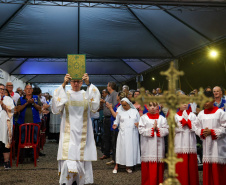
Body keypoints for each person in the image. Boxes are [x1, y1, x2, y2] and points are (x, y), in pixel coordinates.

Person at [51, 73, 100, 185]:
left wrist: (89, 83)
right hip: (68, 132)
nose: (76, 84)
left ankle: (80, 180)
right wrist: (63, 83)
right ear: (70, 82)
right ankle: (68, 181)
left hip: (84, 133)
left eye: (78, 81)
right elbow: (56, 108)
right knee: (69, 155)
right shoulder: (65, 94)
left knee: (81, 156)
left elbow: (95, 106)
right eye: (73, 81)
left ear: (82, 82)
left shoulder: (86, 94)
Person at [195, 90, 226, 185]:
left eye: (207, 101)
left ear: (213, 100)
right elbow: (196, 127)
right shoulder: (201, 114)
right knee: (208, 172)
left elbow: (224, 127)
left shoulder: (220, 112)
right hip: (207, 146)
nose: (205, 103)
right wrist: (202, 132)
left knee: (218, 173)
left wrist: (212, 132)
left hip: (218, 147)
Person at [138, 102, 168, 185]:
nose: (152, 108)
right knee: (147, 169)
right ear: (147, 106)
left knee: (158, 169)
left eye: (154, 106)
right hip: (147, 146)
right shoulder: (143, 118)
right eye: (150, 105)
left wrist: (158, 129)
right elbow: (140, 130)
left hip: (159, 147)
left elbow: (166, 130)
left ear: (157, 107)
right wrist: (152, 129)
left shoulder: (162, 118)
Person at [112, 98, 140, 174]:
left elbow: (139, 121)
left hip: (132, 134)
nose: (124, 106)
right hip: (123, 133)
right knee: (121, 149)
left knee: (129, 150)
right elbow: (116, 120)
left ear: (129, 104)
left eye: (125, 105)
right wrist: (115, 124)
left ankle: (128, 166)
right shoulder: (120, 111)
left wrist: (138, 124)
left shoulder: (134, 111)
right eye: (122, 105)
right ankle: (117, 165)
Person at [175, 101, 199, 185]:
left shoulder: (192, 115)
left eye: (186, 103)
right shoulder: (175, 116)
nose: (185, 104)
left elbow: (196, 128)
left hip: (190, 142)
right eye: (182, 103)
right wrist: (181, 123)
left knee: (191, 165)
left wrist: (188, 122)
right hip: (179, 143)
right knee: (181, 165)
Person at [105, 91, 126, 165]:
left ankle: (117, 160)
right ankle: (114, 159)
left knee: (116, 145)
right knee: (114, 144)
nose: (116, 96)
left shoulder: (121, 105)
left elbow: (116, 116)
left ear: (119, 97)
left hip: (117, 128)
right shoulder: (118, 105)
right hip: (113, 127)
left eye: (117, 95)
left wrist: (110, 108)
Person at [100, 82, 118, 160]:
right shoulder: (108, 95)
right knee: (106, 136)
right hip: (106, 118)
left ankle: (114, 156)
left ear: (110, 87)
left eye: (107, 86)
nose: (107, 87)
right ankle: (106, 153)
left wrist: (105, 102)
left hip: (112, 118)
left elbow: (114, 106)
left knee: (112, 137)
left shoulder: (115, 94)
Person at [0, 84, 15, 169]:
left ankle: (6, 162)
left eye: (3, 89)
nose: (1, 91)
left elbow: (11, 111)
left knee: (5, 143)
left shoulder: (8, 99)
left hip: (4, 125)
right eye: (0, 89)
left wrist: (2, 104)